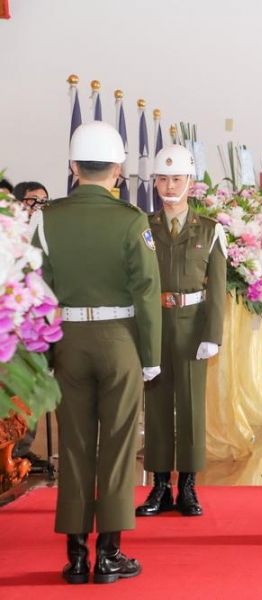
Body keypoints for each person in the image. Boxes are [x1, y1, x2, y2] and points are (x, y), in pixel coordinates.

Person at [32, 121, 162, 584]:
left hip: (67, 340)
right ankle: (110, 553)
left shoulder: (46, 218)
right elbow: (147, 291)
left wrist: (42, 354)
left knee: (74, 447)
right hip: (119, 340)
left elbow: (37, 290)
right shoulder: (131, 220)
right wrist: (151, 356)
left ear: (72, 166)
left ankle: (75, 556)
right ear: (119, 169)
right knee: (119, 447)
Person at [135, 145, 227, 518]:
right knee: (156, 405)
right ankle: (159, 485)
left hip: (191, 327)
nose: (169, 186)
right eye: (163, 178)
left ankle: (188, 485)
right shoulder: (143, 227)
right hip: (154, 324)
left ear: (191, 182)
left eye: (177, 178)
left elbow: (217, 287)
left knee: (190, 405)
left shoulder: (209, 229)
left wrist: (213, 334)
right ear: (154, 182)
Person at [11, 180, 52, 473]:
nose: (38, 207)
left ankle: (23, 450)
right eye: (32, 201)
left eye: (43, 202)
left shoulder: (46, 239)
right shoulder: (7, 236)